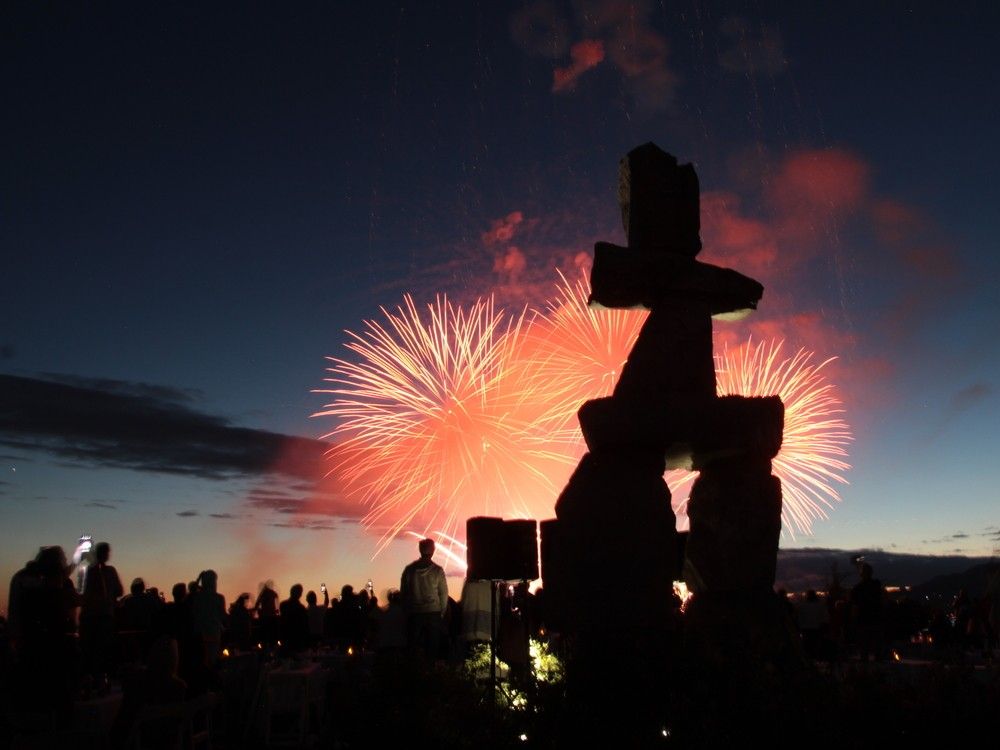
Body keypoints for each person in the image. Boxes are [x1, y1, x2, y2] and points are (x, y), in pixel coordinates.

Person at [80, 541, 124, 678]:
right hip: (104, 616)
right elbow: (119, 591)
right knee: (103, 649)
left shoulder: (89, 571)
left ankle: (93, 677)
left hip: (90, 617)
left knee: (92, 650)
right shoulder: (109, 571)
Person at [400, 538, 449, 658]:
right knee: (432, 648)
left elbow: (404, 593)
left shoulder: (409, 570)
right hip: (433, 612)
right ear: (433, 550)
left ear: (420, 550)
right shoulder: (438, 570)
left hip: (415, 613)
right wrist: (442, 611)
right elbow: (443, 593)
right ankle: (430, 673)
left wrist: (407, 610)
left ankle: (414, 673)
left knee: (412, 648)